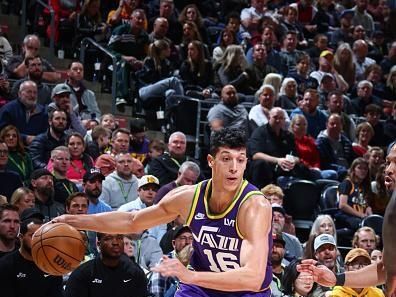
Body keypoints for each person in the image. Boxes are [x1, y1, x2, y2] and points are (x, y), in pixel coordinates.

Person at [53, 127, 273, 296]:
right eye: (226, 159)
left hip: (246, 291)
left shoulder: (254, 207)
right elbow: (132, 221)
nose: (234, 167)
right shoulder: (188, 197)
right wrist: (72, 221)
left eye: (241, 160)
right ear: (211, 161)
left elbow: (253, 277)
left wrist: (191, 275)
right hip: (201, 288)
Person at [0, 210, 63, 297]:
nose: (38, 240)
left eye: (42, 235)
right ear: (21, 237)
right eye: (33, 236)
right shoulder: (6, 265)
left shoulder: (51, 266)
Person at [64, 232, 148, 297]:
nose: (115, 242)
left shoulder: (135, 272)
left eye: (119, 238)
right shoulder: (82, 274)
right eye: (108, 238)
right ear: (98, 244)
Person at [149, 225, 193, 297]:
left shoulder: (199, 261)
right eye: (183, 238)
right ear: (173, 243)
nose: (188, 242)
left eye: (191, 238)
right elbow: (156, 293)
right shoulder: (165, 262)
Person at [0, 80, 48, 145]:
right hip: (12, 148)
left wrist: (38, 139)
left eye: (35, 92)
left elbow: (46, 133)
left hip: (36, 148)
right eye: (29, 92)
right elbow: (3, 131)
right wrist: (25, 138)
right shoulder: (8, 109)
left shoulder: (43, 111)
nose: (32, 95)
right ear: (19, 93)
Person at [335, 158, 373, 230]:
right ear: (353, 170)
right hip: (345, 216)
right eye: (359, 168)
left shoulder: (364, 187)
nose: (363, 171)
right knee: (362, 225)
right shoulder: (347, 183)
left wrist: (368, 209)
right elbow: (342, 205)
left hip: (360, 217)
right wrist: (361, 215)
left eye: (365, 169)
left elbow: (365, 205)